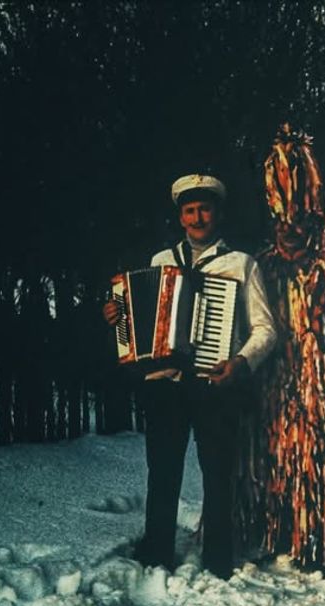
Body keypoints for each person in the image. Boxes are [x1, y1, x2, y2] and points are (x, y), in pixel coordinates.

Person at [103, 174, 277, 579]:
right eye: (189, 210)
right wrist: (116, 317)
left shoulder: (241, 264)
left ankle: (218, 560)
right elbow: (137, 316)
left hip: (216, 383)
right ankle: (157, 553)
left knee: (218, 473)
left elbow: (266, 330)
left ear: (217, 213)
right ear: (181, 217)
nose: (198, 217)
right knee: (163, 471)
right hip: (165, 383)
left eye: (204, 209)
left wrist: (240, 362)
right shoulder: (162, 261)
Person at [239, 124, 325, 575]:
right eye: (283, 223)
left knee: (323, 459)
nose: (291, 231)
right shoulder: (261, 266)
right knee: (275, 455)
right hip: (276, 387)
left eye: (300, 223)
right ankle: (278, 530)